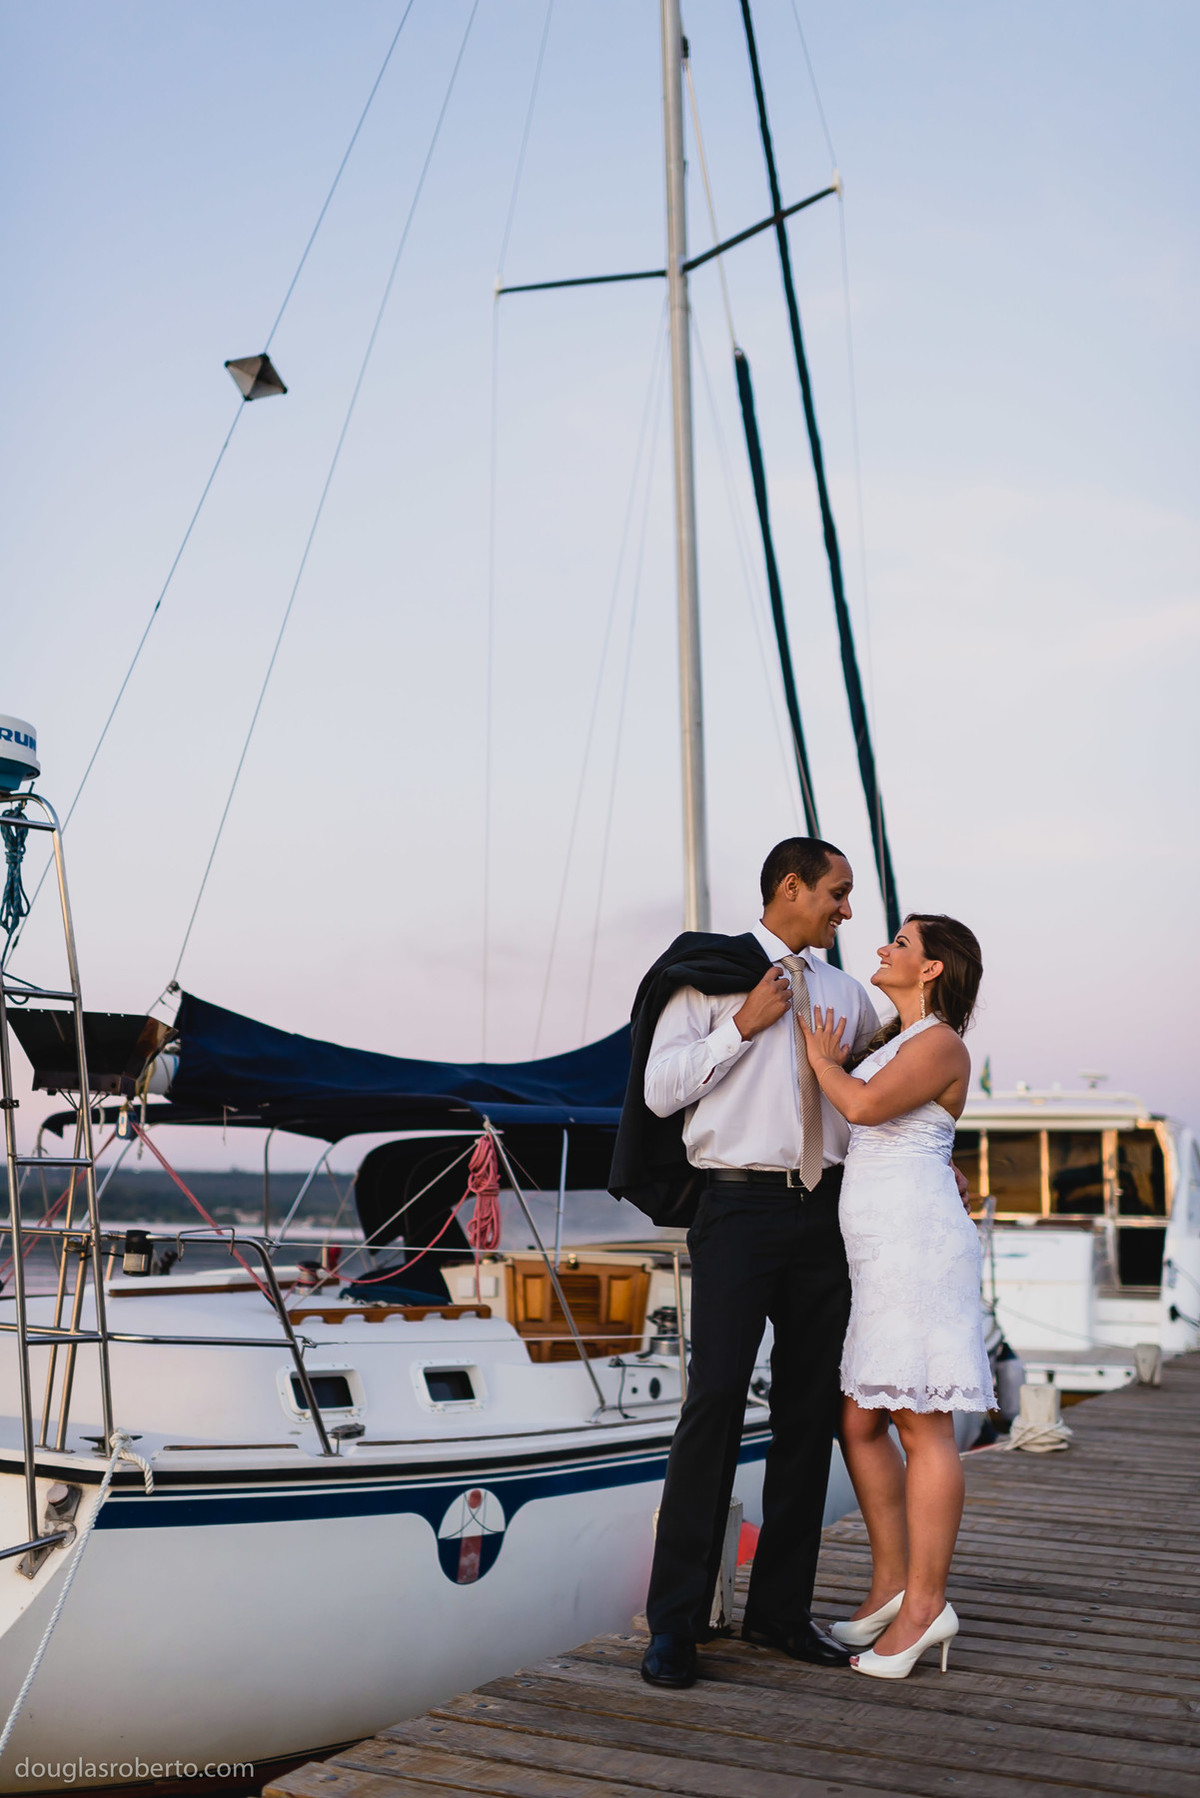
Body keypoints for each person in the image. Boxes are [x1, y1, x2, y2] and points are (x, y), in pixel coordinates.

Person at [616, 837, 882, 1690]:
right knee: (715, 1406)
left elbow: (886, 1086)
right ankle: (676, 1624)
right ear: (791, 887)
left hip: (824, 1215)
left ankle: (778, 1613)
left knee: (808, 1416)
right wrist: (744, 1024)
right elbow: (660, 1092)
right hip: (736, 1209)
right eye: (837, 892)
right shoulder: (703, 977)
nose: (847, 908)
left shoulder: (848, 995)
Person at [799, 913, 993, 1681]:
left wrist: (818, 1058)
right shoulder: (897, 1041)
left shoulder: (940, 1040)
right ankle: (892, 1585)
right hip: (882, 1253)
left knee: (923, 1424)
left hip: (916, 1250)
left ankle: (926, 1605)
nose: (883, 948)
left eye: (901, 944)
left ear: (933, 969)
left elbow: (865, 1110)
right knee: (860, 1419)